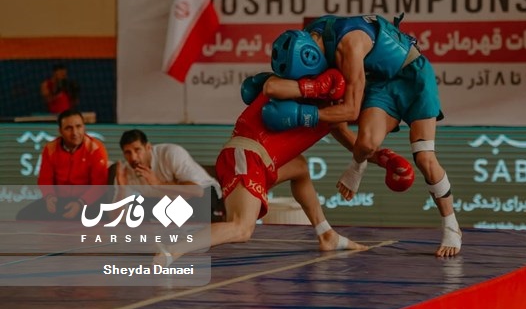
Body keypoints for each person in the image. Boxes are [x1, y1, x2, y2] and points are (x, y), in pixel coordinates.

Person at [153, 69, 413, 267]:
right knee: (241, 228)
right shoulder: (318, 84)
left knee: (300, 168)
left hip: (260, 160)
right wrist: (311, 86)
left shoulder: (338, 109)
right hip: (247, 154)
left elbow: (354, 144)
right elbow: (272, 86)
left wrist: (385, 159)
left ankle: (326, 234)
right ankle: (171, 249)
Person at [265, 15, 462, 258]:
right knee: (366, 143)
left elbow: (349, 111)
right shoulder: (314, 40)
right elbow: (335, 124)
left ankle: (451, 225)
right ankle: (359, 164)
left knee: (424, 158)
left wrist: (302, 115)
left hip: (414, 77)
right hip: (382, 83)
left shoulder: (349, 46)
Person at [16, 109, 109, 220]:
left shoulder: (96, 149)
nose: (75, 133)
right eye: (68, 128)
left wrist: (80, 204)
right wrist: (49, 198)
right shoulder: (50, 148)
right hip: (59, 201)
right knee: (23, 216)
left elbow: (99, 186)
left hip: (88, 202)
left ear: (84, 127)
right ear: (60, 131)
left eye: (78, 126)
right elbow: (45, 180)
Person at [113, 129, 223, 222]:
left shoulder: (171, 153)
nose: (133, 158)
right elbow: (115, 218)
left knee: (200, 206)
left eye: (137, 150)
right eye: (128, 153)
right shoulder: (125, 173)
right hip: (170, 202)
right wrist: (122, 189)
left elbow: (197, 191)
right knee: (137, 208)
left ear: (148, 147)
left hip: (205, 193)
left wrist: (158, 184)